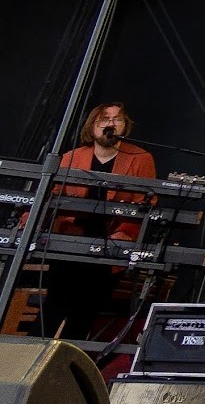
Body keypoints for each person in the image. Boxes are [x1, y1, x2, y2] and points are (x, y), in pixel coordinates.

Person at [38, 102, 158, 342]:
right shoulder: (72, 157)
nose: (111, 124)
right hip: (68, 245)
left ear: (125, 126)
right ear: (92, 126)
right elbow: (47, 197)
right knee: (51, 312)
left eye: (117, 119)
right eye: (104, 119)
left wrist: (125, 234)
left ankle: (66, 367)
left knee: (81, 316)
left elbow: (147, 205)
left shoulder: (140, 158)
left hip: (109, 248)